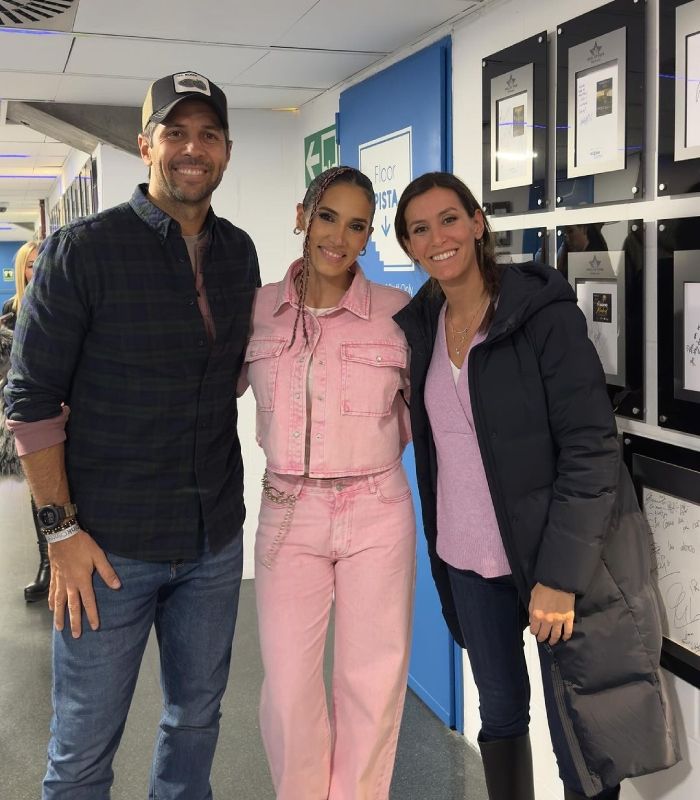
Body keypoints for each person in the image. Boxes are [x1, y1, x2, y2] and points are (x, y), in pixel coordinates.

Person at [3, 71, 260, 799]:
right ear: (145, 143)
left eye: (207, 134)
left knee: (196, 720)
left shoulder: (239, 254)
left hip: (212, 541)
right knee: (82, 747)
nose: (191, 148)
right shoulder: (82, 252)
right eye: (175, 132)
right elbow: (29, 402)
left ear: (226, 151)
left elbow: (235, 371)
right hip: (105, 549)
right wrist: (59, 533)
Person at [392, 172, 680, 800]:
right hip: (468, 559)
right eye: (420, 229)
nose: (438, 237)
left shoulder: (540, 314)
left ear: (476, 222)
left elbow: (591, 446)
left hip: (553, 557)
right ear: (409, 247)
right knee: (499, 714)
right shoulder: (419, 328)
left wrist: (561, 575)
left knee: (582, 724)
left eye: (449, 219)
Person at [240, 165, 416, 799]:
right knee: (288, 690)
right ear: (302, 215)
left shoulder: (399, 313)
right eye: (328, 217)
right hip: (289, 510)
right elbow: (197, 393)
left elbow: (446, 411)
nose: (339, 236)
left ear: (369, 236)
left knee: (370, 683)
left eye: (357, 224)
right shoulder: (257, 307)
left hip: (377, 508)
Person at [0, 240, 51, 601]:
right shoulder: (10, 313)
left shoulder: (60, 303)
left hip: (64, 405)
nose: (36, 270)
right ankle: (47, 563)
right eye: (30, 264)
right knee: (39, 487)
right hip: (29, 411)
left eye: (41, 262)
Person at [1, 240, 37, 330]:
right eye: (31, 266)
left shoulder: (56, 301)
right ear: (22, 271)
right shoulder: (11, 307)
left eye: (40, 263)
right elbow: (10, 343)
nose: (37, 269)